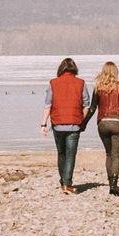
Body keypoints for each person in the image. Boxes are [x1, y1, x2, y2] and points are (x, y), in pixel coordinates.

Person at [81, 60, 119, 195]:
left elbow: (93, 108)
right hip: (117, 122)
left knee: (108, 154)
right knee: (116, 155)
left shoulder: (98, 88)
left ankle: (109, 181)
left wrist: (84, 124)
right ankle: (114, 185)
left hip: (103, 123)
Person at [41, 56, 89, 193]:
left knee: (61, 153)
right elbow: (86, 105)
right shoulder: (81, 83)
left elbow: (47, 105)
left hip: (57, 124)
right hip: (74, 124)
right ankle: (67, 183)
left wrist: (43, 124)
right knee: (70, 154)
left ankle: (63, 180)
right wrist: (82, 120)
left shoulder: (53, 83)